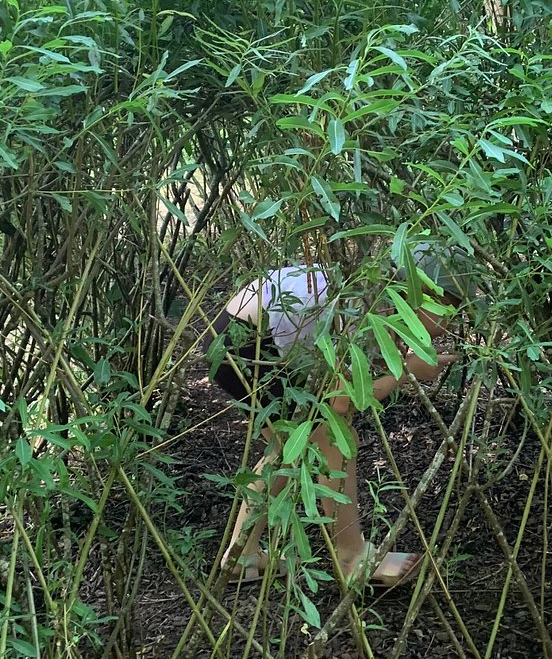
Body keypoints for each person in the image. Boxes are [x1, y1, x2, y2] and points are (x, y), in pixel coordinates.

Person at [200, 245, 475, 588]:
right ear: (423, 294)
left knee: (290, 447)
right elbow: (344, 400)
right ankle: (352, 557)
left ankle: (243, 558)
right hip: (246, 340)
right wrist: (408, 370)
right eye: (450, 308)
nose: (451, 322)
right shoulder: (369, 305)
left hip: (250, 331)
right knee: (335, 440)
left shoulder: (380, 300)